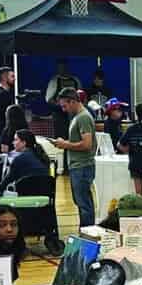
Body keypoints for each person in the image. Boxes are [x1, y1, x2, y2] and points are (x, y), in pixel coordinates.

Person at [51, 87, 97, 228]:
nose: (64, 110)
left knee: (84, 203)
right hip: (78, 166)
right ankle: (86, 231)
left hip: (82, 166)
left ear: (72, 102)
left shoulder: (83, 117)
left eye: (65, 106)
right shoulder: (78, 117)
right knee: (81, 202)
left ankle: (87, 232)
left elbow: (87, 144)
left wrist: (65, 144)